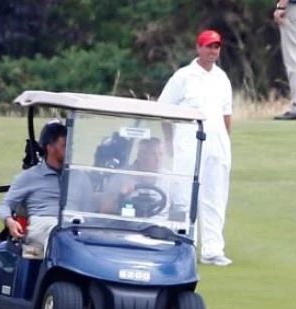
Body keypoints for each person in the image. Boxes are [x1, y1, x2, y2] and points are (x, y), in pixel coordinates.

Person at [158, 29, 234, 266]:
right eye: (209, 46)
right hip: (188, 142)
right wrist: (169, 143)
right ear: (198, 48)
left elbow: (226, 114)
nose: (213, 51)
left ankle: (212, 249)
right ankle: (184, 245)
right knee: (185, 194)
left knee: (216, 194)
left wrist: (226, 141)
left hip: (217, 144)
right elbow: (164, 111)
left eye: (217, 47)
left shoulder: (222, 78)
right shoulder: (183, 77)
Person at [0, 121, 68, 250]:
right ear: (50, 147)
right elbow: (5, 205)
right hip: (43, 224)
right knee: (56, 234)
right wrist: (10, 221)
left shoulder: (79, 177)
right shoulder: (29, 177)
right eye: (64, 146)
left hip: (73, 225)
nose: (70, 150)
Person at [99, 137, 166, 215]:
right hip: (127, 224)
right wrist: (120, 194)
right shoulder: (120, 177)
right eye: (153, 154)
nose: (158, 159)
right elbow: (104, 210)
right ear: (141, 155)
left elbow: (180, 212)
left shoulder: (171, 179)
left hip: (161, 224)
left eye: (161, 154)